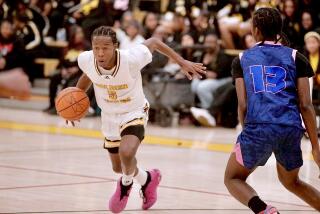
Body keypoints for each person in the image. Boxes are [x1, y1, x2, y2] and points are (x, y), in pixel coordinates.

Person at [72, 26, 205, 213]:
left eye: (106, 48)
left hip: (134, 111)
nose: (100, 53)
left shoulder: (130, 59)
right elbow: (88, 76)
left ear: (115, 47)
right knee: (119, 167)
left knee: (127, 153)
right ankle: (147, 179)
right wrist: (76, 100)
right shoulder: (86, 60)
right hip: (109, 116)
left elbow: (154, 42)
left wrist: (181, 62)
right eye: (96, 48)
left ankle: (125, 186)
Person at [224, 7, 320, 214]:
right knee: (292, 182)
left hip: (259, 127)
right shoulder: (297, 57)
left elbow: (243, 105)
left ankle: (264, 210)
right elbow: (306, 105)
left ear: (255, 30)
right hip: (290, 127)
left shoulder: (242, 59)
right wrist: (315, 146)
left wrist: (245, 134)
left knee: (232, 178)